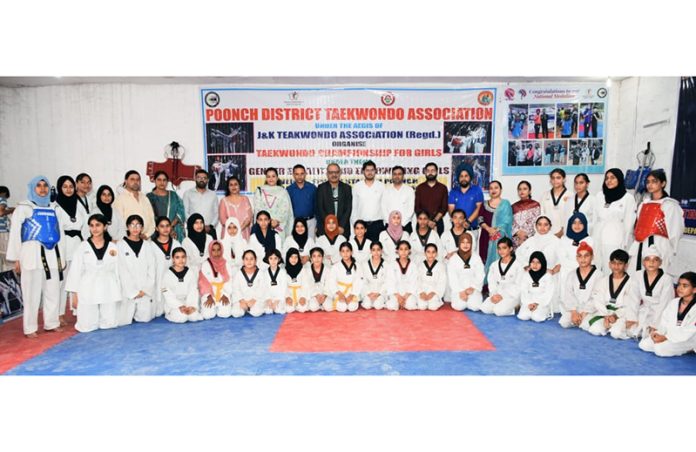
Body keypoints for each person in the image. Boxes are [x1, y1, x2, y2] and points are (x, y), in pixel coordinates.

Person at [7, 176, 64, 337]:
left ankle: (52, 322)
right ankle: (30, 327)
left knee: (53, 290)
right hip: (30, 254)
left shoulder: (55, 208)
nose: (42, 188)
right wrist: (16, 258)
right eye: (38, 186)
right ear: (33, 188)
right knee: (31, 293)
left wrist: (63, 257)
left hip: (52, 253)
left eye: (45, 185)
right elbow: (15, 234)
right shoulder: (24, 208)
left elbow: (61, 235)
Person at [65, 214, 121, 333]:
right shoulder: (83, 246)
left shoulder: (113, 247)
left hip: (108, 286)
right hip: (88, 286)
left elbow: (118, 270)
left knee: (109, 324)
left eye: (98, 225)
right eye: (92, 226)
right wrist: (75, 295)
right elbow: (75, 271)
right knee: (87, 326)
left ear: (105, 227)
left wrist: (119, 290)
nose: (94, 229)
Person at [630, 170, 684, 273]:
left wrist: (670, 249)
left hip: (659, 245)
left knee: (656, 276)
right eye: (648, 182)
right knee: (636, 276)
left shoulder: (669, 205)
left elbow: (675, 230)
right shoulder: (643, 205)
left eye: (654, 181)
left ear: (663, 183)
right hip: (640, 246)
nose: (650, 185)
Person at [54, 175, 88, 325]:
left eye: (70, 186)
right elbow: (57, 230)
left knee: (79, 279)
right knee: (63, 282)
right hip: (64, 244)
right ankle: (59, 314)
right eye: (65, 187)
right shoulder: (55, 206)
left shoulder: (78, 203)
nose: (68, 189)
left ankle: (78, 310)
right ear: (60, 188)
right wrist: (59, 254)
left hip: (79, 244)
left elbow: (86, 224)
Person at [638, 272, 696, 357]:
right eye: (679, 284)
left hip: (688, 339)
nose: (680, 288)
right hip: (669, 336)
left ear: (694, 289)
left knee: (660, 349)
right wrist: (658, 333)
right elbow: (664, 322)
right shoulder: (674, 302)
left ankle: (689, 348)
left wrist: (666, 338)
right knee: (643, 344)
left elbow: (690, 331)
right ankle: (667, 345)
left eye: (685, 286)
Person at [587, 249, 639, 338]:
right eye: (614, 263)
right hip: (606, 312)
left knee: (616, 333)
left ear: (626, 265)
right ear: (609, 264)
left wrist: (616, 315)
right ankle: (611, 325)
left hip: (622, 314)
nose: (616, 266)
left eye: (620, 263)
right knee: (594, 330)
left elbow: (631, 304)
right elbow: (598, 300)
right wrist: (606, 315)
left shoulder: (632, 283)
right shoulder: (603, 280)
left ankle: (618, 327)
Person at [593, 169, 636, 273]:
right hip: (597, 236)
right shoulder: (600, 195)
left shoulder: (628, 198)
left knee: (612, 268)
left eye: (612, 178)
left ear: (619, 179)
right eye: (607, 178)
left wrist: (625, 243)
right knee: (596, 265)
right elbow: (595, 217)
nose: (609, 181)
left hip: (615, 238)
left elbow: (629, 223)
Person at [117, 214, 156, 326]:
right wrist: (133, 291)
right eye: (132, 225)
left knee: (145, 320)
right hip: (128, 292)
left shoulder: (147, 245)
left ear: (142, 228)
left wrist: (145, 289)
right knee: (123, 322)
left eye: (138, 225)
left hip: (144, 291)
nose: (135, 228)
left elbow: (152, 269)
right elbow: (121, 271)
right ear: (127, 227)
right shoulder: (120, 245)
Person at [631, 245, 675, 339]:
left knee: (649, 335)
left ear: (660, 263)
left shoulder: (666, 279)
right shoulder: (638, 275)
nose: (651, 262)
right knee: (628, 330)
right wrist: (632, 318)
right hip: (644, 310)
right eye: (648, 259)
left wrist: (655, 324)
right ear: (643, 262)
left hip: (659, 313)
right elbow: (633, 298)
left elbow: (665, 303)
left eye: (655, 260)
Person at [559, 242, 603, 330]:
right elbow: (568, 294)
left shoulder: (599, 275)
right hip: (576, 308)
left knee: (585, 325)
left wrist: (585, 312)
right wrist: (574, 312)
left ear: (592, 257)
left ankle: (585, 320)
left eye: (586, 256)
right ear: (576, 258)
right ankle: (577, 319)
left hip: (591, 310)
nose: (583, 259)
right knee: (564, 322)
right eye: (580, 256)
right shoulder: (571, 274)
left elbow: (597, 297)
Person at [477, 180, 513, 275]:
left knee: (501, 259)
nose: (493, 190)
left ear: (500, 190)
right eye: (491, 188)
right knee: (485, 258)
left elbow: (508, 220)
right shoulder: (484, 204)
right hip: (486, 236)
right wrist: (489, 229)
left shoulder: (505, 204)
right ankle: (486, 285)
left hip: (501, 237)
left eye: (496, 187)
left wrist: (496, 230)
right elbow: (480, 219)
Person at [481, 237, 523, 316]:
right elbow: (491, 282)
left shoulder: (518, 265)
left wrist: (503, 296)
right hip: (497, 293)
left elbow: (518, 286)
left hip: (511, 295)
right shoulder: (494, 265)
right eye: (499, 248)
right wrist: (494, 294)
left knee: (499, 311)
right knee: (485, 308)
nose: (501, 251)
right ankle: (500, 304)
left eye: (504, 248)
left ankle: (516, 307)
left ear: (510, 249)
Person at [161, 247, 204, 323]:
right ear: (173, 259)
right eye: (177, 257)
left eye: (183, 257)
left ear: (186, 258)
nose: (181, 260)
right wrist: (179, 306)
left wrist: (191, 306)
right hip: (174, 305)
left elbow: (193, 290)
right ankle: (170, 314)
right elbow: (167, 294)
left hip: (188, 302)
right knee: (182, 318)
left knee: (193, 317)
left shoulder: (190, 272)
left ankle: (189, 310)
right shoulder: (167, 274)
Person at [150, 216, 182, 318]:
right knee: (157, 313)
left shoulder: (176, 244)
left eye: (168, 226)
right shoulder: (150, 245)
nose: (165, 229)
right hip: (157, 282)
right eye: (162, 226)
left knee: (173, 307)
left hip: (172, 283)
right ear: (156, 228)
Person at [252, 167, 294, 241]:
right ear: (266, 178)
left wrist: (277, 221)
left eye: (273, 176)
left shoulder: (283, 191)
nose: (271, 179)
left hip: (278, 226)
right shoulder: (260, 191)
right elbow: (258, 208)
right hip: (263, 226)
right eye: (268, 176)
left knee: (278, 249)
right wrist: (267, 221)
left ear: (277, 177)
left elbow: (286, 210)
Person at [448, 164, 484, 248]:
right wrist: (459, 221)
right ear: (458, 178)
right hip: (457, 229)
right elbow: (451, 209)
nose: (463, 178)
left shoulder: (477, 190)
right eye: (461, 176)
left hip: (472, 229)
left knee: (471, 255)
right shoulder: (453, 191)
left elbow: (479, 208)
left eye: (466, 176)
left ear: (470, 177)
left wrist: (468, 221)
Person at [350, 160, 385, 243]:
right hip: (362, 226)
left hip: (377, 225)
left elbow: (385, 206)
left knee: (376, 251)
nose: (370, 172)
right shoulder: (357, 187)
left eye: (372, 170)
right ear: (363, 171)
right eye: (367, 170)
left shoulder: (381, 186)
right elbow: (354, 208)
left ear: (375, 171)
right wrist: (355, 226)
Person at [447, 232, 484, 311]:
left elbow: (480, 274)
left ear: (471, 244)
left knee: (475, 307)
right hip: (458, 290)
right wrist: (460, 291)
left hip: (473, 288)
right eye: (463, 242)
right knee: (459, 306)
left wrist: (473, 287)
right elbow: (452, 278)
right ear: (459, 244)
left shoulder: (476, 258)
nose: (465, 245)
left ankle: (474, 297)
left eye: (468, 242)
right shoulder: (453, 259)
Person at [113, 170, 156, 237]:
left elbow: (152, 220)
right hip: (128, 239)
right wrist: (131, 236)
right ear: (126, 181)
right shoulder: (120, 199)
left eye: (138, 180)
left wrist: (147, 235)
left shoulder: (144, 198)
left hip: (146, 239)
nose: (135, 182)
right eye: (132, 179)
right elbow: (118, 223)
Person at [558, 212, 595, 288]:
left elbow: (591, 260)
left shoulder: (590, 240)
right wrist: (581, 264)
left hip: (583, 273)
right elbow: (562, 260)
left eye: (580, 223)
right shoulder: (564, 239)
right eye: (574, 223)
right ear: (570, 224)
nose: (577, 226)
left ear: (584, 224)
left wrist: (582, 266)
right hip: (566, 273)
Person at [146, 170, 186, 241]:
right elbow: (148, 216)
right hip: (155, 232)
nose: (162, 182)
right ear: (155, 181)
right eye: (159, 180)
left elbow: (181, 211)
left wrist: (170, 227)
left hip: (174, 231)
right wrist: (163, 229)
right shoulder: (149, 197)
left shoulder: (173, 195)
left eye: (164, 180)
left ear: (167, 182)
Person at [199, 240, 233, 320]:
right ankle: (207, 306)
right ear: (210, 251)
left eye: (218, 250)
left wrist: (224, 294)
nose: (216, 253)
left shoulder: (226, 264)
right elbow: (203, 282)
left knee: (225, 314)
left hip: (223, 291)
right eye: (213, 250)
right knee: (207, 315)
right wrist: (209, 296)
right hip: (210, 293)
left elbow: (229, 280)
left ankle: (220, 306)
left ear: (221, 250)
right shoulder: (205, 264)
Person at [316, 163, 352, 239]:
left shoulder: (347, 188)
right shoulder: (321, 188)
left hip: (342, 228)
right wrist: (330, 225)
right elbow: (320, 209)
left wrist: (341, 226)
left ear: (340, 173)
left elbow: (348, 209)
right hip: (325, 228)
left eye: (336, 172)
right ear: (327, 174)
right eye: (331, 172)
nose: (334, 175)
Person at [517, 252, 555, 322]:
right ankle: (531, 309)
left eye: (538, 262)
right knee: (523, 316)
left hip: (542, 302)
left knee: (537, 317)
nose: (535, 265)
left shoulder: (548, 276)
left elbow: (548, 293)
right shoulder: (526, 275)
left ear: (543, 263)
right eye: (533, 262)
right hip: (528, 301)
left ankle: (544, 311)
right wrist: (529, 303)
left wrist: (537, 303)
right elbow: (524, 290)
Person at [183, 169, 219, 239]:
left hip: (209, 230)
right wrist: (196, 225)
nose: (202, 180)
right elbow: (185, 212)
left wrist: (211, 226)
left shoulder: (213, 194)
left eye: (204, 178)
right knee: (193, 250)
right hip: (193, 230)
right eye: (199, 177)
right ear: (195, 179)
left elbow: (216, 213)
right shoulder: (188, 194)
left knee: (213, 249)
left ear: (207, 180)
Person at [327, 242, 362, 312]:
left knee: (352, 307)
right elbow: (331, 281)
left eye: (347, 251)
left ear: (351, 252)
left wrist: (352, 295)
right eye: (343, 251)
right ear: (340, 253)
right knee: (342, 308)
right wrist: (340, 294)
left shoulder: (357, 265)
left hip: (352, 291)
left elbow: (359, 281)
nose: (345, 254)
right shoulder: (335, 266)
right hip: (340, 291)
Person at [230, 250, 267, 318]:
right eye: (246, 259)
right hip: (242, 299)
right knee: (236, 313)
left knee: (256, 312)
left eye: (251, 259)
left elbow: (262, 288)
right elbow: (236, 288)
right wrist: (241, 301)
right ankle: (245, 308)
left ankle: (249, 309)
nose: (249, 261)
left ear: (255, 260)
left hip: (255, 300)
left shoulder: (260, 273)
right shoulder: (238, 273)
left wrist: (254, 300)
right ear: (243, 261)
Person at [414, 162, 448, 236]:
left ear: (436, 172)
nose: (430, 173)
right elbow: (417, 207)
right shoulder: (420, 188)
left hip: (438, 223)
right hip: (422, 223)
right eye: (428, 171)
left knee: (437, 246)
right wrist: (427, 221)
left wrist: (434, 221)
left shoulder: (443, 188)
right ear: (425, 172)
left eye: (433, 170)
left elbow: (444, 207)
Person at [286, 164, 318, 239]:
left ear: (305, 174)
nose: (299, 176)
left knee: (310, 245)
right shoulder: (289, 189)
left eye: (302, 174)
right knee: (296, 245)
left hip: (311, 222)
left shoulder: (312, 188)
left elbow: (317, 206)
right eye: (297, 174)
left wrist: (318, 224)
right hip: (295, 222)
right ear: (293, 175)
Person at [385, 240, 418, 311]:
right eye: (401, 249)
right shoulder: (392, 265)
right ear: (397, 251)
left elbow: (414, 282)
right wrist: (398, 297)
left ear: (409, 251)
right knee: (392, 306)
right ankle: (396, 302)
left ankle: (405, 303)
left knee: (411, 305)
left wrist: (405, 297)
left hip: (408, 292)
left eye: (406, 249)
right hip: (396, 292)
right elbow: (390, 281)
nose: (403, 252)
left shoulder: (413, 265)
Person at [382, 165, 415, 234]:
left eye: (399, 174)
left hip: (405, 225)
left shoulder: (409, 190)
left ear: (403, 176)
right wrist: (391, 224)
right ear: (392, 176)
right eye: (395, 174)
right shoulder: (386, 190)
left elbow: (411, 209)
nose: (397, 176)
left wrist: (401, 224)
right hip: (389, 226)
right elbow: (383, 208)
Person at [219, 176, 253, 240]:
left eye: (235, 184)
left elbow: (249, 217)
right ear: (228, 187)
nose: (234, 187)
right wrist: (233, 230)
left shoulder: (245, 199)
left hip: (244, 233)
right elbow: (223, 220)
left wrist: (239, 229)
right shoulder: (223, 201)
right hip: (229, 234)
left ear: (239, 186)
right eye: (231, 185)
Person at [540, 168, 570, 238]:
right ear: (550, 180)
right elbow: (542, 214)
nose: (555, 180)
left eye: (558, 178)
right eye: (553, 178)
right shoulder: (545, 195)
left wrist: (562, 231)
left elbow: (571, 216)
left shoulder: (570, 195)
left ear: (564, 179)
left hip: (565, 233)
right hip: (547, 233)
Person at [416, 243, 446, 311]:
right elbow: (417, 281)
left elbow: (442, 282)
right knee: (422, 306)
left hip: (434, 291)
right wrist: (421, 292)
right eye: (428, 252)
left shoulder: (441, 266)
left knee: (433, 307)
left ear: (437, 254)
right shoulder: (420, 265)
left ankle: (436, 301)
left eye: (433, 252)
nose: (431, 254)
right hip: (423, 290)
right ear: (424, 253)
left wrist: (434, 292)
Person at [511, 180, 541, 249]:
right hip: (516, 239)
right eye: (520, 189)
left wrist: (525, 234)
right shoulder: (513, 206)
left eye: (525, 189)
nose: (522, 191)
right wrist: (517, 232)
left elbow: (535, 221)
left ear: (530, 191)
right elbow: (511, 222)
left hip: (530, 238)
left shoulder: (535, 205)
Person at [360, 241, 387, 310]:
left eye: (378, 250)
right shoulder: (365, 264)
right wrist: (368, 293)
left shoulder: (387, 264)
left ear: (381, 251)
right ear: (370, 251)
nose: (376, 252)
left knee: (378, 306)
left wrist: (379, 293)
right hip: (369, 291)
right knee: (367, 305)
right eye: (373, 250)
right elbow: (363, 281)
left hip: (381, 291)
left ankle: (382, 301)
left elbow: (387, 281)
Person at [284, 248, 310, 313]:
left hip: (300, 293)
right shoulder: (284, 270)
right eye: (291, 257)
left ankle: (299, 303)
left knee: (302, 309)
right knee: (289, 309)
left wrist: (303, 297)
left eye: (296, 257)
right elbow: (283, 286)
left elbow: (305, 285)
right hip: (289, 294)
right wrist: (287, 297)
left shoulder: (302, 269)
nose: (294, 259)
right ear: (288, 258)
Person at [263, 249, 288, 314]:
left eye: (275, 258)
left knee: (279, 310)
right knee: (268, 311)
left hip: (279, 298)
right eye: (271, 258)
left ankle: (278, 305)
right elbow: (264, 287)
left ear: (279, 259)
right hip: (269, 298)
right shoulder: (264, 273)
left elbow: (284, 288)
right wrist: (268, 299)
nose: (273, 261)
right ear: (268, 259)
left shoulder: (282, 272)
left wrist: (277, 300)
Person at [307, 247, 331, 312]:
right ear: (311, 258)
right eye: (314, 256)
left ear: (322, 258)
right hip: (314, 295)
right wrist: (316, 295)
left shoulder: (328, 270)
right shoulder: (307, 271)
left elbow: (329, 284)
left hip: (325, 294)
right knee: (313, 308)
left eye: (319, 256)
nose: (317, 259)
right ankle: (319, 305)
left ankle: (322, 304)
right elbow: (308, 285)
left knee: (329, 307)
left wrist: (325, 295)